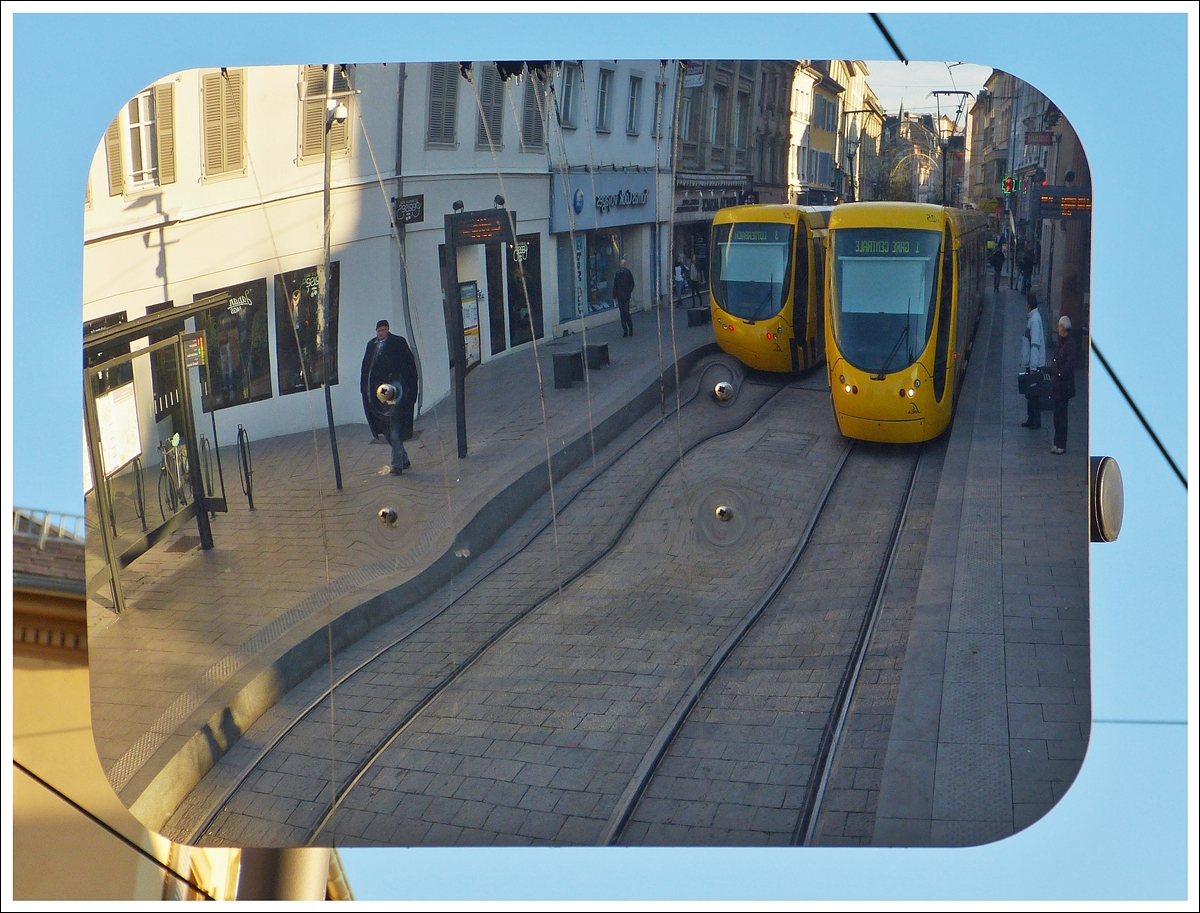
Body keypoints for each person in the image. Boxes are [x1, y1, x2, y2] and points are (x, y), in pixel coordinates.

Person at [360, 319, 419, 474]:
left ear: (388, 330)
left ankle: (397, 465)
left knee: (394, 428)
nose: (381, 333)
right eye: (379, 331)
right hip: (378, 397)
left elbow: (409, 367)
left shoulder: (398, 343)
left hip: (396, 393)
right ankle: (404, 459)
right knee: (387, 430)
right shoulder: (371, 345)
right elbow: (366, 369)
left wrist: (409, 389)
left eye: (384, 330)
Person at [1048, 315, 1077, 455]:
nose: (1058, 329)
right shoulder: (1061, 342)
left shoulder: (1070, 344)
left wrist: (1058, 374)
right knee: (1056, 415)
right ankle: (1056, 442)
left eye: (1059, 326)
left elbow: (1069, 365)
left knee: (1061, 415)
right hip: (1057, 386)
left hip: (1063, 386)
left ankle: (1061, 444)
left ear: (1063, 328)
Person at [1019, 296, 1046, 430]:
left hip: (1033, 364)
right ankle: (1031, 418)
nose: (1025, 307)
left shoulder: (1034, 320)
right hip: (1031, 363)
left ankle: (1035, 420)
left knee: (1033, 394)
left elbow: (1035, 344)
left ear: (1029, 306)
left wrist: (1033, 366)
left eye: (1026, 305)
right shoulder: (1033, 318)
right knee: (1031, 394)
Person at [613, 257, 635, 337]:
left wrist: (628, 292)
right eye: (621, 264)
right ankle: (625, 330)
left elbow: (632, 284)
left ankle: (630, 327)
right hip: (620, 296)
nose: (622, 266)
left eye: (623, 265)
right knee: (622, 314)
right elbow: (615, 285)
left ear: (625, 265)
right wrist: (614, 295)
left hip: (626, 296)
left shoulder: (628, 273)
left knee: (626, 312)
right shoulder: (618, 273)